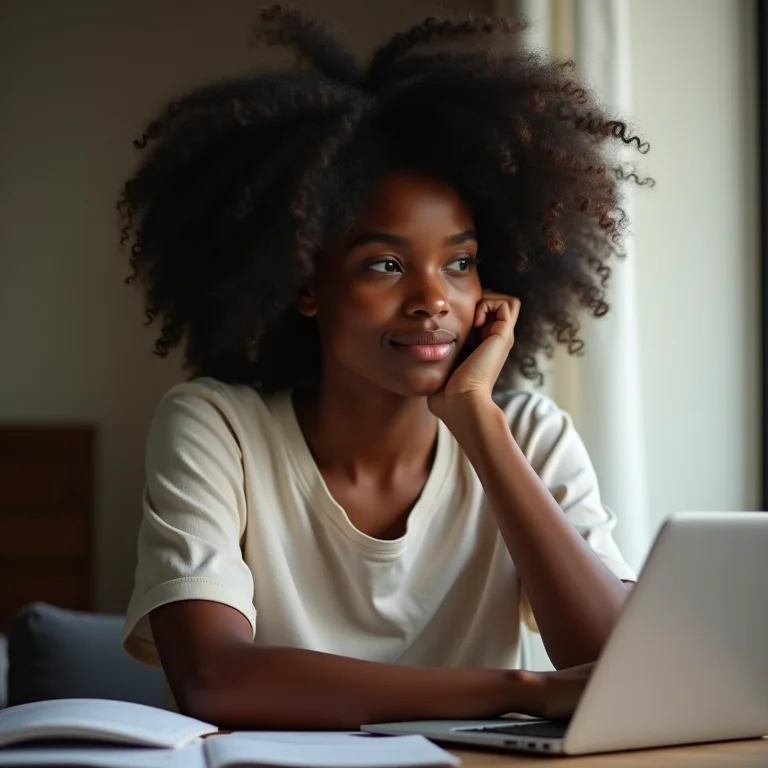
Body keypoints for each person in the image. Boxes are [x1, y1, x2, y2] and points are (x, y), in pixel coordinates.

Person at [118, 5, 647, 730]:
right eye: (386, 265)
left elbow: (622, 670)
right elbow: (215, 680)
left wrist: (478, 425)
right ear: (306, 283)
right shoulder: (219, 428)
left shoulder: (524, 431)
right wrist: (522, 689)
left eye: (459, 263)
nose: (434, 299)